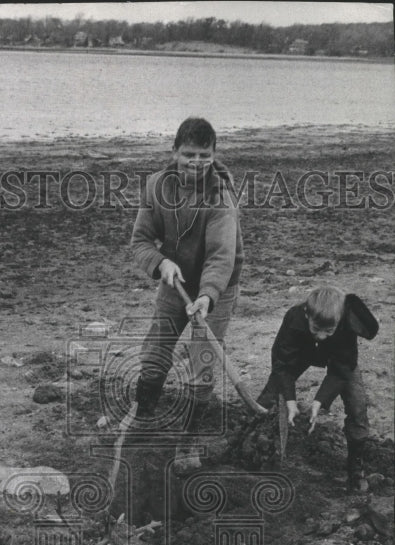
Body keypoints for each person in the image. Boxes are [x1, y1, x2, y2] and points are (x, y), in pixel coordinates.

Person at [130, 117, 243, 452]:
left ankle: (189, 439)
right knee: (154, 354)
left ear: (213, 155)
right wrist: (161, 262)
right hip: (174, 279)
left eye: (204, 156)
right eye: (189, 154)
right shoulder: (155, 186)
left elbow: (221, 257)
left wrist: (208, 296)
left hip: (217, 287)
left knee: (202, 363)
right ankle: (143, 417)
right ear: (175, 151)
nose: (196, 162)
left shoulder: (221, 197)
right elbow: (140, 241)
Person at [257, 285, 379, 492]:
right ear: (307, 314)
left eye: (328, 331)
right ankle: (252, 445)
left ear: (339, 319)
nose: (321, 336)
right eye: (316, 329)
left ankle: (355, 467)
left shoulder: (348, 323)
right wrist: (290, 399)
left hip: (339, 357)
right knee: (272, 391)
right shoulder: (295, 318)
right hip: (303, 351)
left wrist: (318, 402)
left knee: (357, 406)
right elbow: (282, 363)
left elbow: (341, 370)